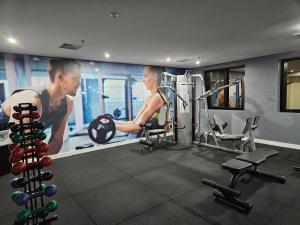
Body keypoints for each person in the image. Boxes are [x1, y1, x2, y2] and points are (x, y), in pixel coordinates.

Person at [2, 58, 81, 155]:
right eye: (75, 78)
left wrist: (43, 163)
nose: (79, 84)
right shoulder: (31, 100)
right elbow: (17, 145)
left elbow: (57, 139)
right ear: (60, 77)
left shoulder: (68, 102)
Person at [114, 65, 167, 134]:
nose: (143, 80)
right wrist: (112, 121)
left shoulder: (158, 97)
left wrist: (112, 126)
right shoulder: (149, 98)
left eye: (145, 76)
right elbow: (134, 123)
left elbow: (137, 128)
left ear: (155, 77)